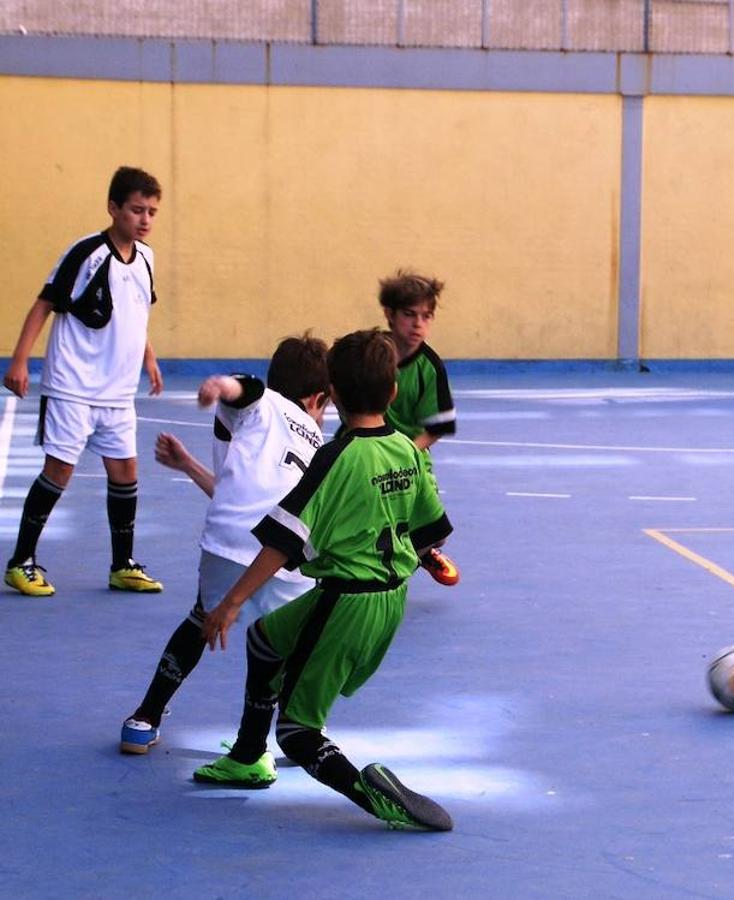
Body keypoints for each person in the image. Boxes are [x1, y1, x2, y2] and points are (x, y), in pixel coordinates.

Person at [191, 329, 455, 832]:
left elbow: (282, 543)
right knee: (265, 641)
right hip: (390, 595)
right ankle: (247, 755)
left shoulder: (335, 458)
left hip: (346, 600)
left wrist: (229, 603)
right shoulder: (407, 449)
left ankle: (375, 798)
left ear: (331, 393)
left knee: (297, 733)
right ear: (393, 393)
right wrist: (425, 556)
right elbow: (428, 528)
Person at [119, 334, 330, 754]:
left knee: (200, 620)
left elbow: (235, 494)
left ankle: (144, 718)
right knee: (277, 645)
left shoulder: (256, 416)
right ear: (317, 399)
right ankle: (264, 743)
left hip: (227, 545)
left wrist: (187, 461)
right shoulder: (312, 437)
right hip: (285, 558)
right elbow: (245, 387)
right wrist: (224, 383)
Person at [3, 166, 166, 597]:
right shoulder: (87, 253)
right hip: (72, 385)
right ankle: (21, 562)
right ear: (114, 208)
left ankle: (122, 564)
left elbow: (136, 313)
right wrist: (20, 361)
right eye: (136, 210)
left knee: (126, 471)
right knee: (60, 470)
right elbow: (43, 305)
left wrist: (149, 359)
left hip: (117, 392)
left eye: (151, 211)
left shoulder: (147, 258)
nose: (144, 219)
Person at [377, 270, 460, 587]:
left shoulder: (429, 367)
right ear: (389, 314)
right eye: (409, 315)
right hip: (361, 448)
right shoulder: (370, 352)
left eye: (426, 316)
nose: (418, 324)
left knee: (433, 535)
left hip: (410, 454)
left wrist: (405, 451)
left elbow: (438, 426)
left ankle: (424, 551)